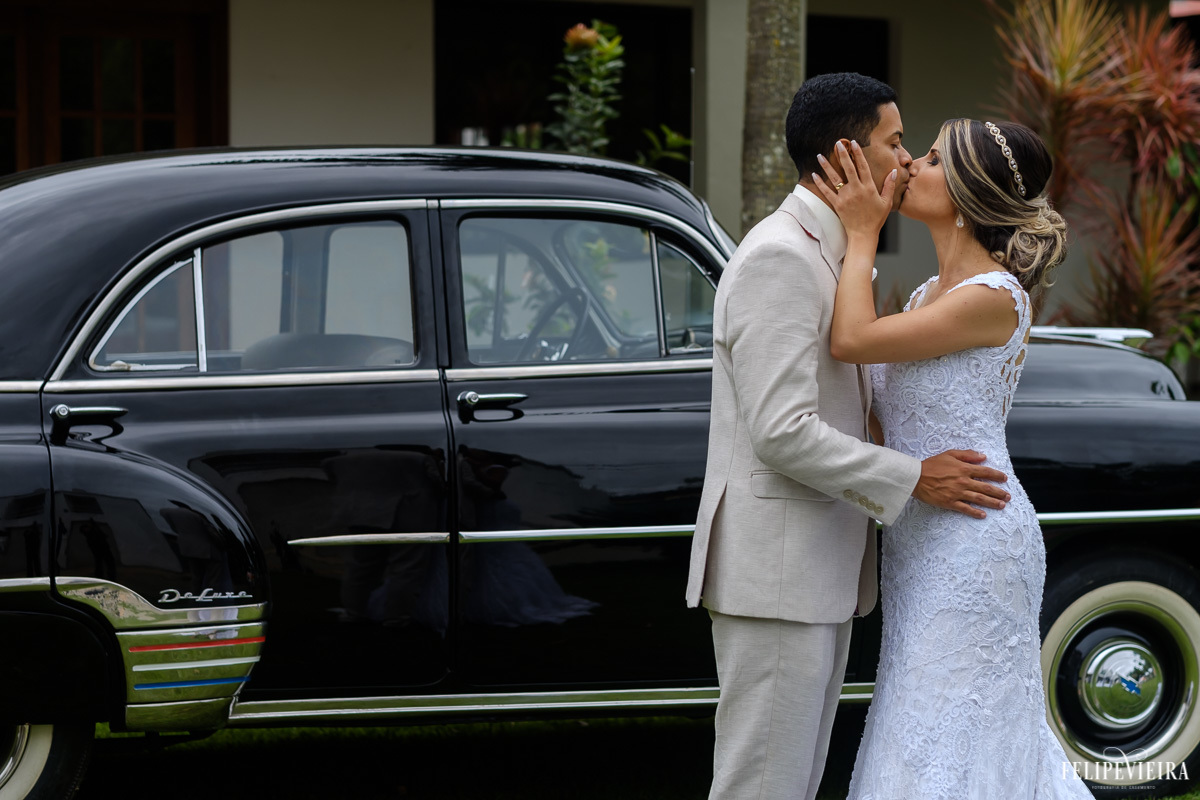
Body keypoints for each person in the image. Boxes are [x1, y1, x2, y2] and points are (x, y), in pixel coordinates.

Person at [685, 73, 1013, 800]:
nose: (904, 162)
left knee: (794, 784)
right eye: (896, 143)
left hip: (816, 574)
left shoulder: (830, 254)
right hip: (777, 577)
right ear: (846, 157)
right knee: (761, 786)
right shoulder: (781, 256)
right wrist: (913, 476)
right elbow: (781, 433)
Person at [813, 118, 1091, 798]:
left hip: (975, 538)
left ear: (967, 194)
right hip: (917, 537)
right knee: (916, 719)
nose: (912, 164)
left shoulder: (994, 299)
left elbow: (851, 338)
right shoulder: (923, 297)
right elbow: (882, 415)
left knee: (958, 728)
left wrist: (860, 233)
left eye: (933, 159)